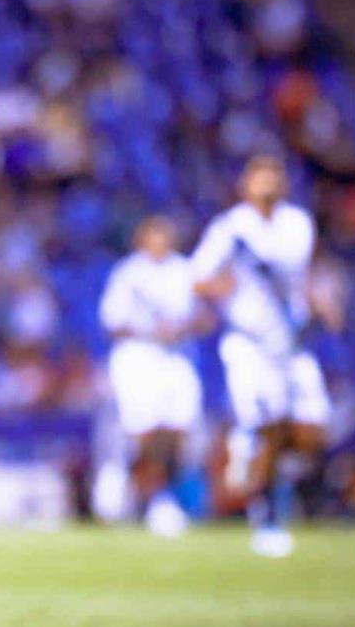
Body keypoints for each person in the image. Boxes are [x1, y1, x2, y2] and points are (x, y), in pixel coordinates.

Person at [191, 154, 339, 557]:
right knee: (271, 424)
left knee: (312, 434)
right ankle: (268, 512)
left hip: (293, 342)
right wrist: (228, 286)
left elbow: (309, 273)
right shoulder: (231, 228)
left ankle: (249, 444)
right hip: (251, 343)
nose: (268, 183)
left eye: (275, 176)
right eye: (260, 177)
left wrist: (323, 300)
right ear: (245, 184)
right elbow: (199, 279)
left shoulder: (298, 224)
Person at [97, 215, 208, 536]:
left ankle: (155, 492)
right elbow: (112, 322)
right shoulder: (128, 273)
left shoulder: (185, 271)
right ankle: (153, 497)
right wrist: (150, 331)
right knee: (145, 431)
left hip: (177, 358)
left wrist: (181, 329)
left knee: (177, 431)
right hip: (140, 357)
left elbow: (204, 317)